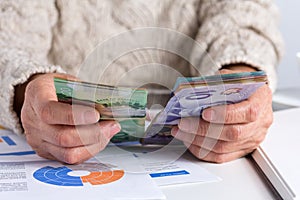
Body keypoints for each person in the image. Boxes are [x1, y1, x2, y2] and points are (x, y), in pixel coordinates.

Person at [0, 0, 284, 164]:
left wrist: (239, 83)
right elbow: (8, 37)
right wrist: (27, 90)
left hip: (196, 153)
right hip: (60, 148)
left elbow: (245, 19)